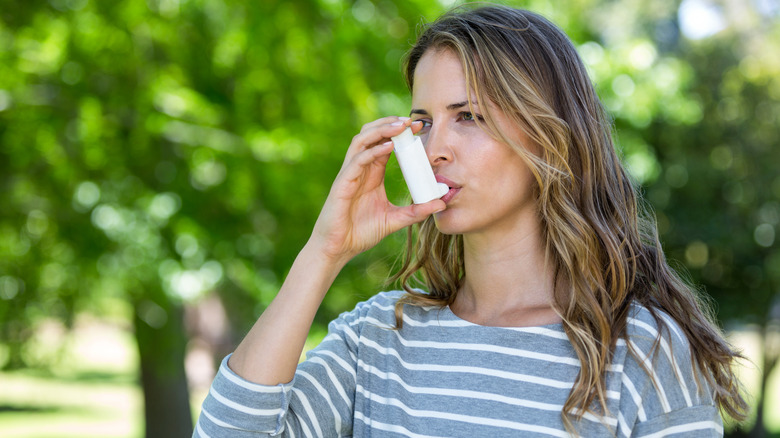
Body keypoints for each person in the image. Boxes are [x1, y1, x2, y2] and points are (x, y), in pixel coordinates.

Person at [194, 4, 747, 437]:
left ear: (551, 135)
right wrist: (324, 251)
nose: (435, 148)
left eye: (468, 117)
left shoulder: (642, 353)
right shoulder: (380, 338)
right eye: (423, 121)